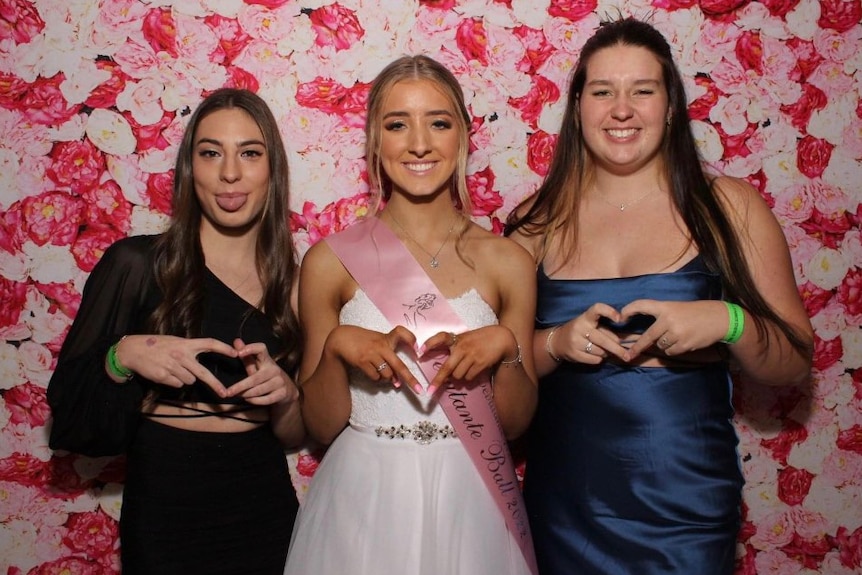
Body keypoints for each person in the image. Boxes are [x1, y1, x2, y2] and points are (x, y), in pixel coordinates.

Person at [505, 17, 814, 575]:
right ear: (578, 107)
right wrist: (555, 342)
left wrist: (728, 320)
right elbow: (502, 380)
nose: (621, 109)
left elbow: (793, 361)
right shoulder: (534, 222)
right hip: (566, 508)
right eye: (602, 91)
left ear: (670, 106)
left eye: (642, 90)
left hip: (687, 507)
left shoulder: (729, 208)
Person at [283, 55, 538, 575]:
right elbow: (320, 424)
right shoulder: (330, 261)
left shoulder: (508, 261)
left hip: (472, 493)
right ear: (375, 142)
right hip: (364, 493)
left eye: (438, 123)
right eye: (397, 124)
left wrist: (506, 350)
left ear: (463, 136)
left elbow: (514, 425)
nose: (419, 143)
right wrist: (335, 352)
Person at [47, 88, 304, 574]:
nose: (230, 172)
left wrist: (287, 397)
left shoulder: (294, 283)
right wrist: (123, 356)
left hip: (264, 509)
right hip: (165, 509)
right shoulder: (137, 264)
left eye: (250, 153)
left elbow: (295, 432)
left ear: (273, 169)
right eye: (211, 153)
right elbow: (70, 416)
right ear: (191, 168)